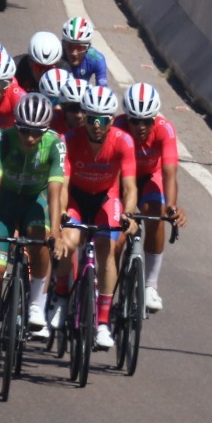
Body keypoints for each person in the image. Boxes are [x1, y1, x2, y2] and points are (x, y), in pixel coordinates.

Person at [0, 92, 67, 363]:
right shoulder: (4, 140)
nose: (30, 137)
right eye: (25, 130)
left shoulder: (54, 144)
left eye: (37, 132)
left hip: (34, 201)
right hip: (5, 203)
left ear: (46, 129)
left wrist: (56, 232)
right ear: (16, 125)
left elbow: (55, 191)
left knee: (41, 237)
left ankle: (37, 302)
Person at [58, 86, 138, 350]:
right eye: (91, 118)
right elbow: (63, 185)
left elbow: (129, 187)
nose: (96, 125)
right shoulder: (69, 139)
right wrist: (61, 213)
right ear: (84, 117)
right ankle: (60, 297)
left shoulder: (123, 142)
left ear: (111, 120)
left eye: (102, 120)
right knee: (68, 241)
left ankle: (102, 322)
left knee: (106, 248)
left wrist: (128, 214)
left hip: (106, 197)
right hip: (76, 198)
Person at [119, 82, 187, 312]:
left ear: (154, 118)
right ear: (126, 117)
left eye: (146, 121)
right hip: (121, 178)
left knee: (156, 216)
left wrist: (171, 206)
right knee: (114, 226)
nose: (140, 127)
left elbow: (169, 173)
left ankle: (150, 285)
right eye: (134, 120)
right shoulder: (117, 127)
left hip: (150, 177)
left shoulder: (165, 129)